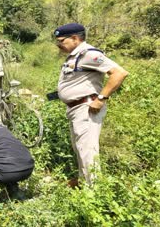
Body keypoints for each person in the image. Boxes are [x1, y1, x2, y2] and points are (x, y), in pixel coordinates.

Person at [53, 23, 129, 186]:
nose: (59, 45)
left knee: (87, 150)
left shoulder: (89, 54)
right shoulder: (74, 56)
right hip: (75, 108)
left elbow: (119, 73)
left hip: (86, 108)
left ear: (75, 38)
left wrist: (101, 99)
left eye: (61, 41)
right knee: (79, 148)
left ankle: (93, 191)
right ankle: (83, 180)